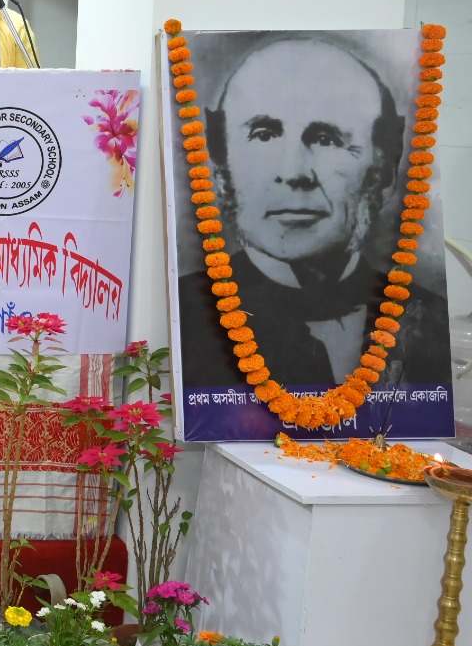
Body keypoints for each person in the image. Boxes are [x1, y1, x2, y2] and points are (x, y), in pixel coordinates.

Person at [178, 35, 450, 388]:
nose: (294, 172)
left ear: (383, 171)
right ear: (220, 168)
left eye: (326, 139)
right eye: (264, 134)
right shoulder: (182, 317)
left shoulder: (430, 321)